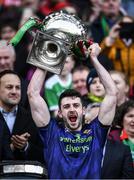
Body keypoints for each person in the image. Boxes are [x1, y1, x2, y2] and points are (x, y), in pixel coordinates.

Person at [27, 43, 117, 179]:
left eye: (76, 105)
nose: (72, 109)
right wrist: (48, 58)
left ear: (83, 110)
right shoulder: (52, 133)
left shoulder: (96, 132)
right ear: (59, 113)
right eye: (66, 106)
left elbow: (111, 93)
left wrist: (94, 59)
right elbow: (32, 93)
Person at [0, 70, 44, 162]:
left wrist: (26, 146)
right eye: (9, 87)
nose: (14, 91)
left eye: (18, 88)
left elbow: (43, 154)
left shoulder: (31, 118)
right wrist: (10, 148)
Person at [100, 16, 134, 97]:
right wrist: (111, 36)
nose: (127, 28)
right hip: (118, 84)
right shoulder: (114, 44)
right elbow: (100, 55)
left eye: (130, 25)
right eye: (124, 25)